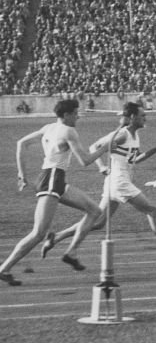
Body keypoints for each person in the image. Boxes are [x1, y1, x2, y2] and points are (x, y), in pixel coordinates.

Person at [48, 103, 156, 261]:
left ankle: (57, 236)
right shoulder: (122, 135)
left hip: (116, 181)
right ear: (132, 117)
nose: (145, 118)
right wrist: (102, 166)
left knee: (99, 222)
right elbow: (94, 146)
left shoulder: (134, 135)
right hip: (119, 181)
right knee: (153, 211)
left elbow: (136, 159)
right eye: (142, 115)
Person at [0, 99, 108, 285]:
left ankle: (71, 252)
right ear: (66, 115)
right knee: (39, 233)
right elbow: (84, 161)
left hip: (54, 180)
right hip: (51, 181)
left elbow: (21, 144)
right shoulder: (68, 131)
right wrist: (106, 147)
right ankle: (4, 269)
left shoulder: (48, 127)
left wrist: (21, 174)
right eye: (75, 113)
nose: (78, 116)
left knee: (95, 211)